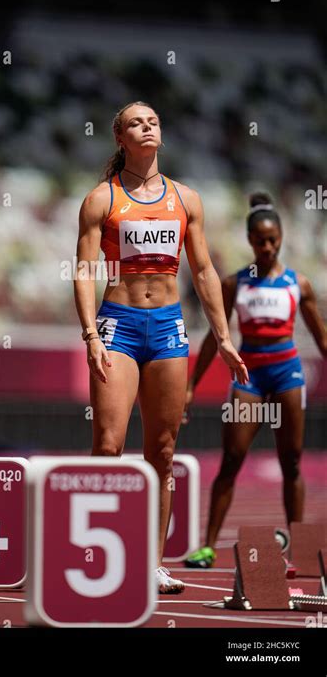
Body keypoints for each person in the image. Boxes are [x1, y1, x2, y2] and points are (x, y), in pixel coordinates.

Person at [73, 100, 248, 593]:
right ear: (120, 139)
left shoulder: (186, 199)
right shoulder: (100, 200)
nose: (146, 127)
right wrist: (90, 334)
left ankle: (149, 564)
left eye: (152, 121)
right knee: (108, 445)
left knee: (163, 453)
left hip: (169, 327)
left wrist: (224, 336)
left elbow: (206, 271)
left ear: (161, 135)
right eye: (135, 123)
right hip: (119, 326)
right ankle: (93, 556)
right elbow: (85, 272)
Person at [184, 192, 327, 569]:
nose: (267, 247)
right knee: (232, 458)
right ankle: (208, 546)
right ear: (250, 240)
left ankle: (298, 547)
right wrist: (190, 386)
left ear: (281, 238)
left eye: (273, 240)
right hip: (248, 375)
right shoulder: (235, 284)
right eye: (260, 240)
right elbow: (216, 336)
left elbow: (323, 340)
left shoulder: (300, 285)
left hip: (287, 374)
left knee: (291, 462)